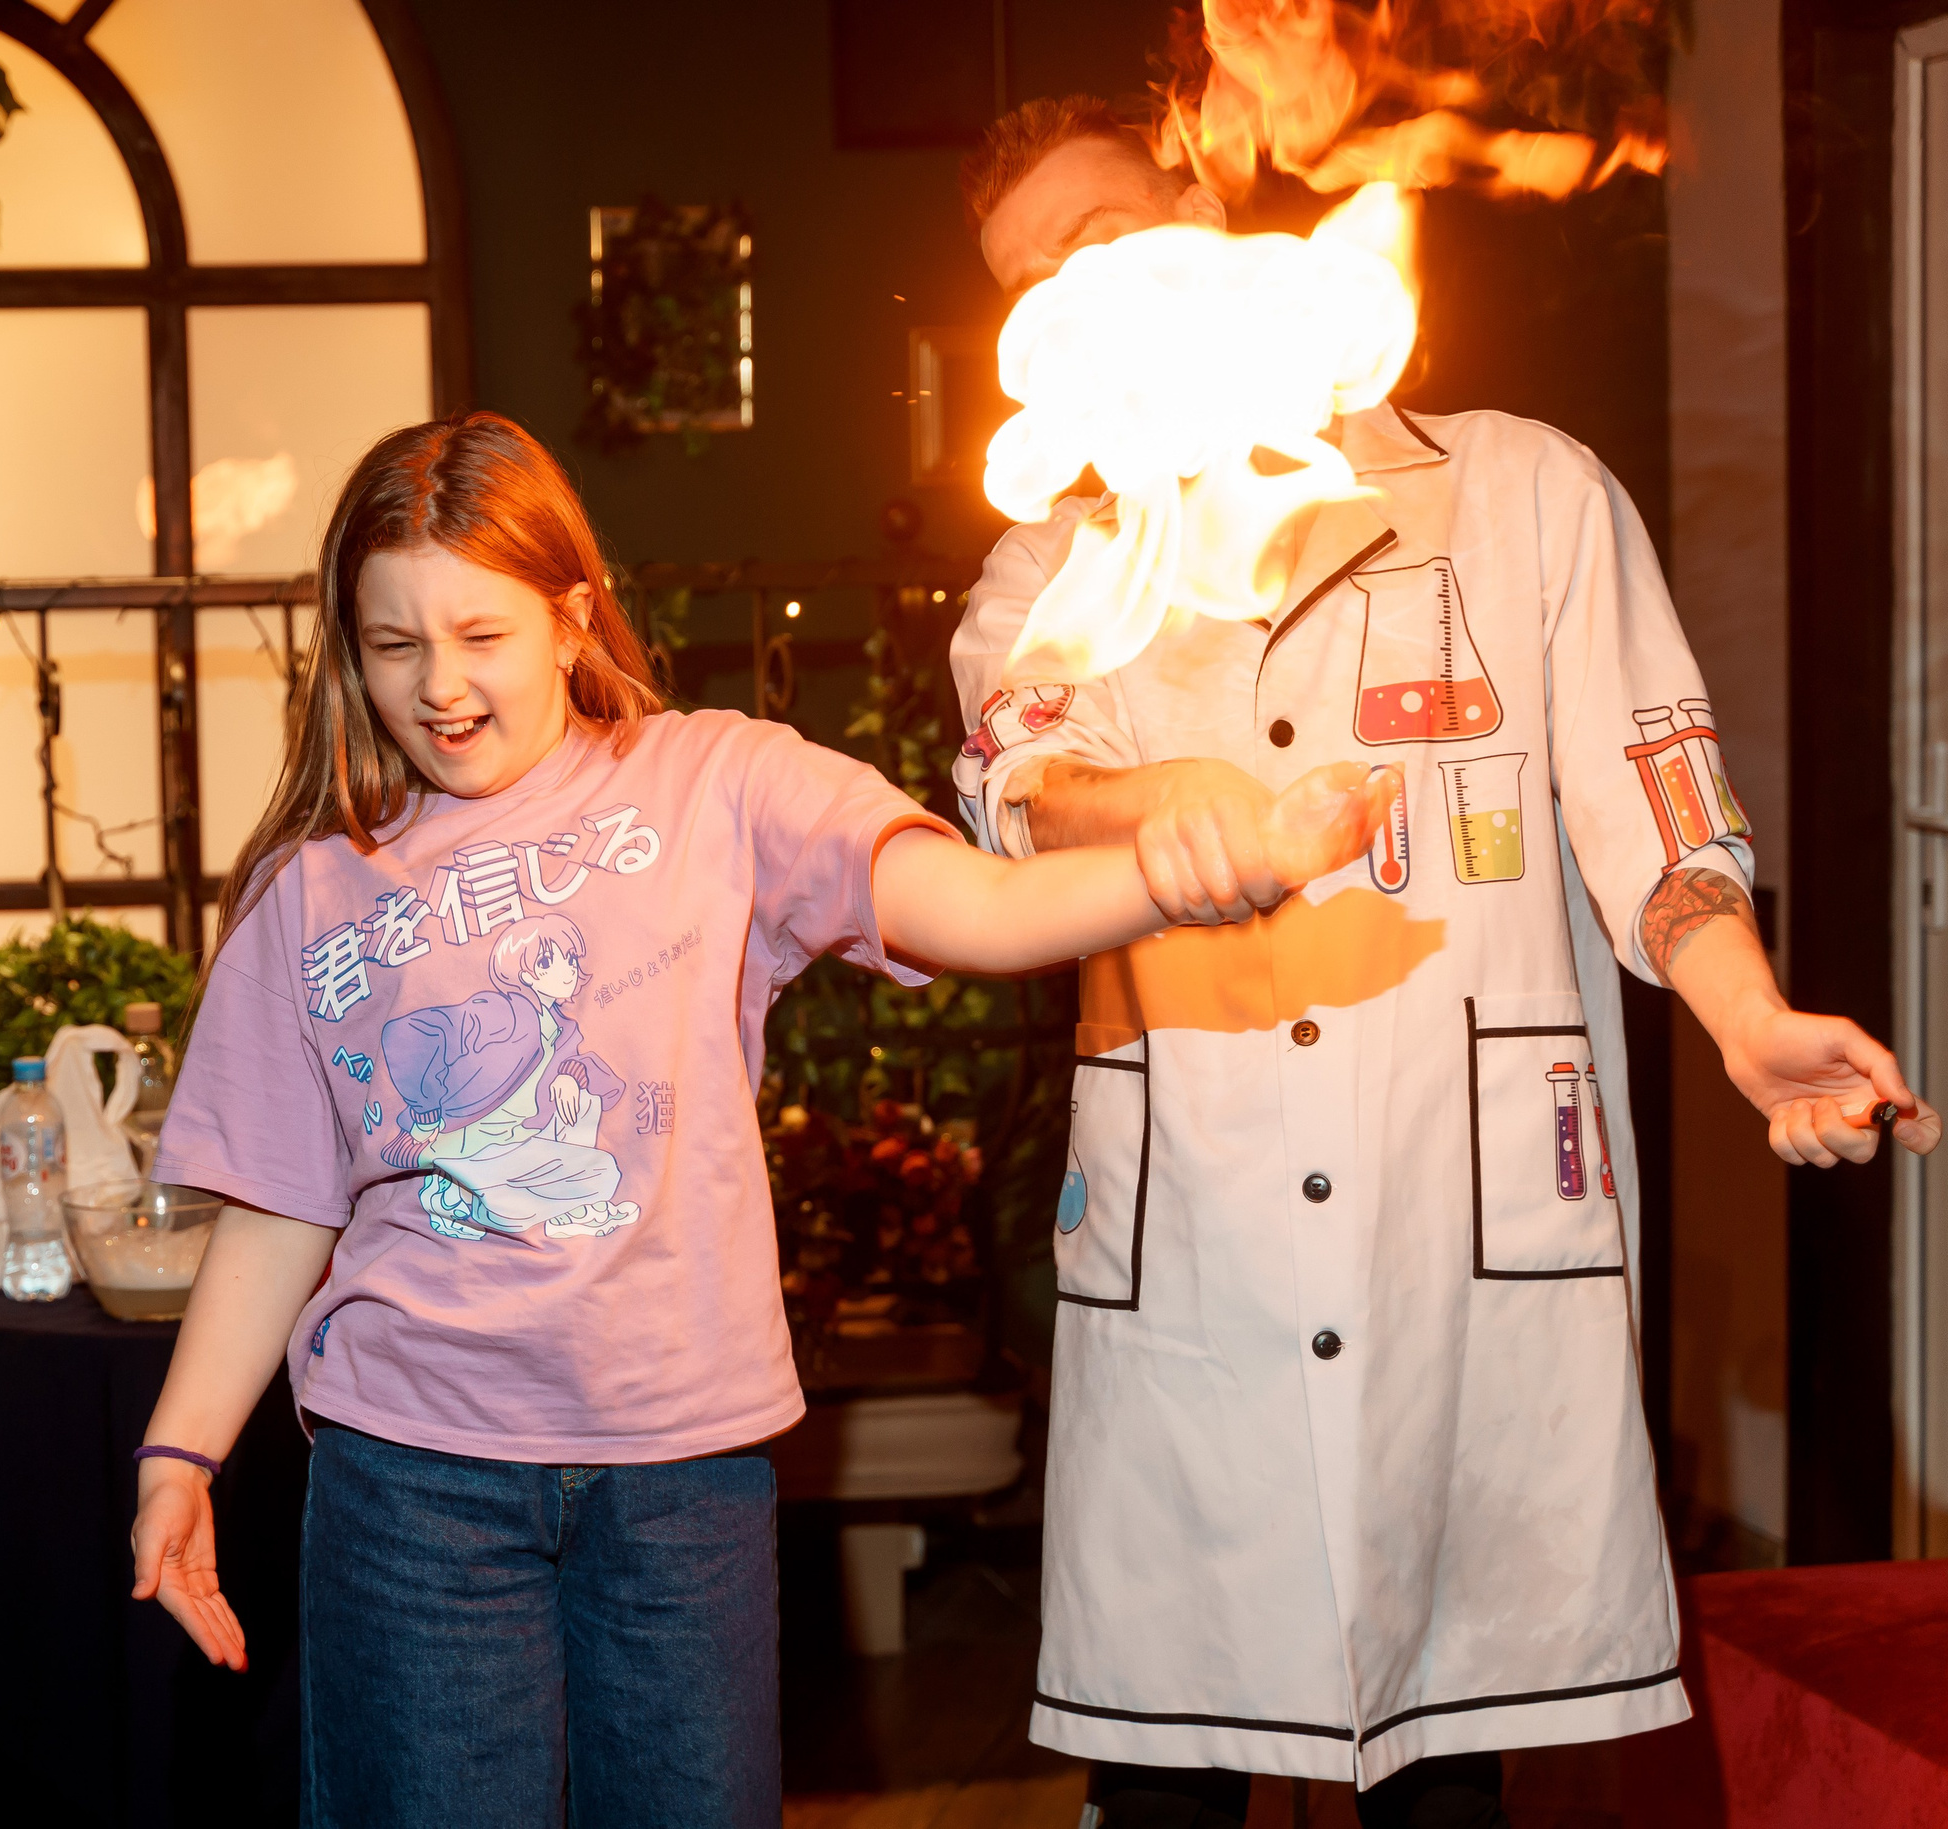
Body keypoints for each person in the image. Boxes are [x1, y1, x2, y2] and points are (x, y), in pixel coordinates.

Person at [125, 410, 1395, 1828]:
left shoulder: (715, 781)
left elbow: (974, 907)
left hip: (682, 1483)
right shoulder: (313, 894)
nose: (441, 685)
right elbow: (279, 1211)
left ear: (571, 616)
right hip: (413, 1484)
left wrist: (1178, 875)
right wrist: (180, 1456)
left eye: (482, 634)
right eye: (393, 644)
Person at [951, 96, 1944, 1829]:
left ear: (1202, 197)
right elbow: (1026, 786)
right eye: (1034, 283)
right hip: (1196, 1264)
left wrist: (1747, 1015)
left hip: (1456, 1240)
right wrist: (1165, 808)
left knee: (1444, 1767)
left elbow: (1656, 812)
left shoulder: (1525, 494)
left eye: (1098, 239)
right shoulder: (1054, 565)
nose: (1077, 298)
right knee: (1165, 1779)